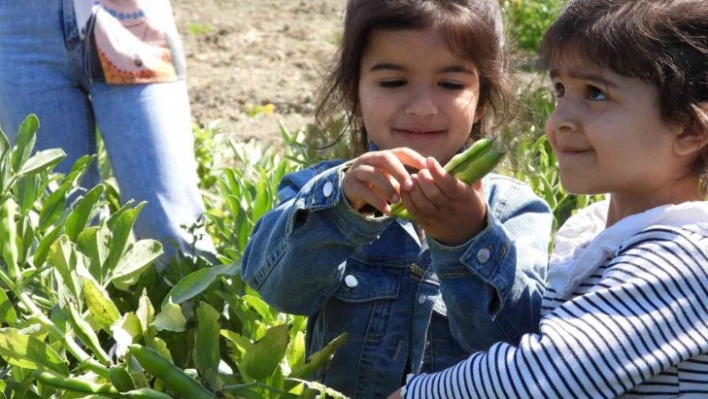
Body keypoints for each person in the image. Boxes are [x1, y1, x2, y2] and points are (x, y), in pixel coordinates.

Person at [390, 0, 708, 397]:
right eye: (560, 89)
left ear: (688, 131)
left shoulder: (685, 258)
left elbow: (551, 371)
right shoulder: (599, 237)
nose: (558, 120)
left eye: (595, 94)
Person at [241, 0, 553, 397]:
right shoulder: (321, 191)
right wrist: (340, 210)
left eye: (451, 84)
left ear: (482, 102)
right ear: (355, 93)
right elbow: (279, 291)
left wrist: (469, 238)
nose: (422, 108)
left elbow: (517, 342)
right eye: (392, 82)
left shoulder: (514, 211)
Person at [0, 0, 216, 265]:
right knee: (60, 237)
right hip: (15, 27)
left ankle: (198, 305)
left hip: (130, 19)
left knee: (176, 231)